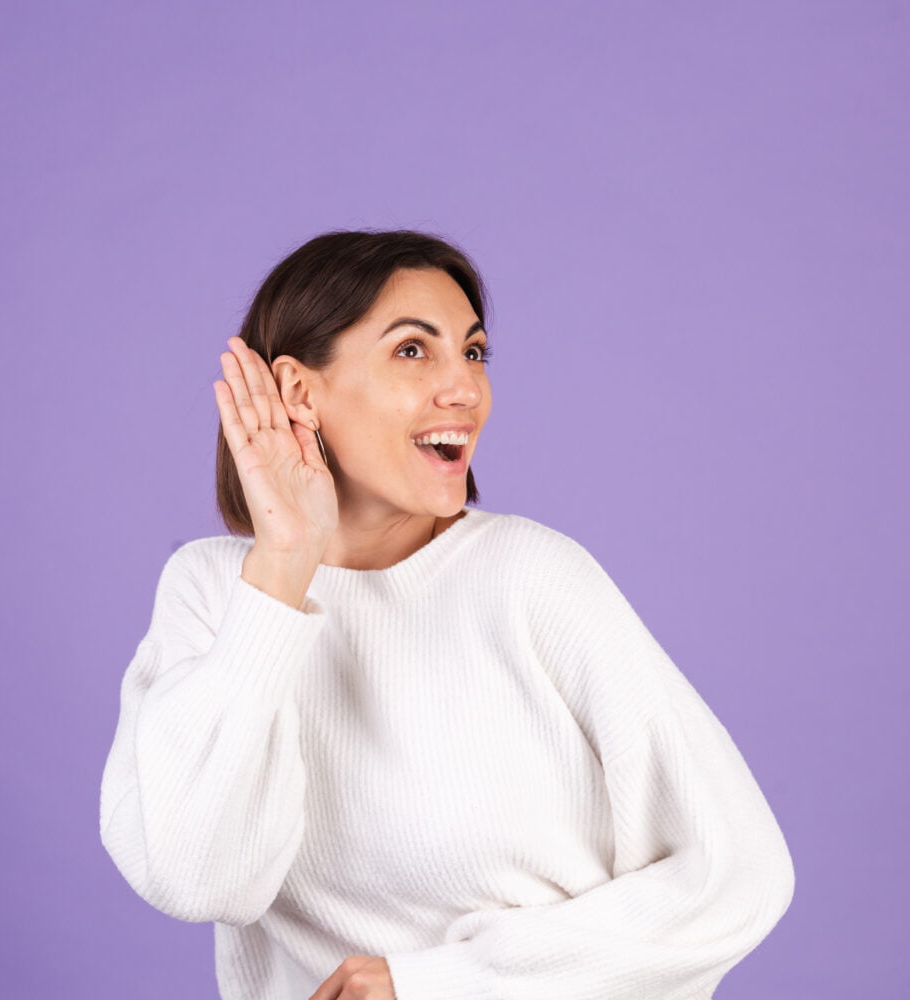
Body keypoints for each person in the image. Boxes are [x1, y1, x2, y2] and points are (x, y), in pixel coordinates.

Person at [99, 230, 795, 1000]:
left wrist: (440, 984)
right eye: (412, 351)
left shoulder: (531, 578)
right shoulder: (214, 592)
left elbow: (737, 873)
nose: (465, 388)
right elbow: (201, 880)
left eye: (474, 352)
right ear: (300, 392)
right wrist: (285, 564)